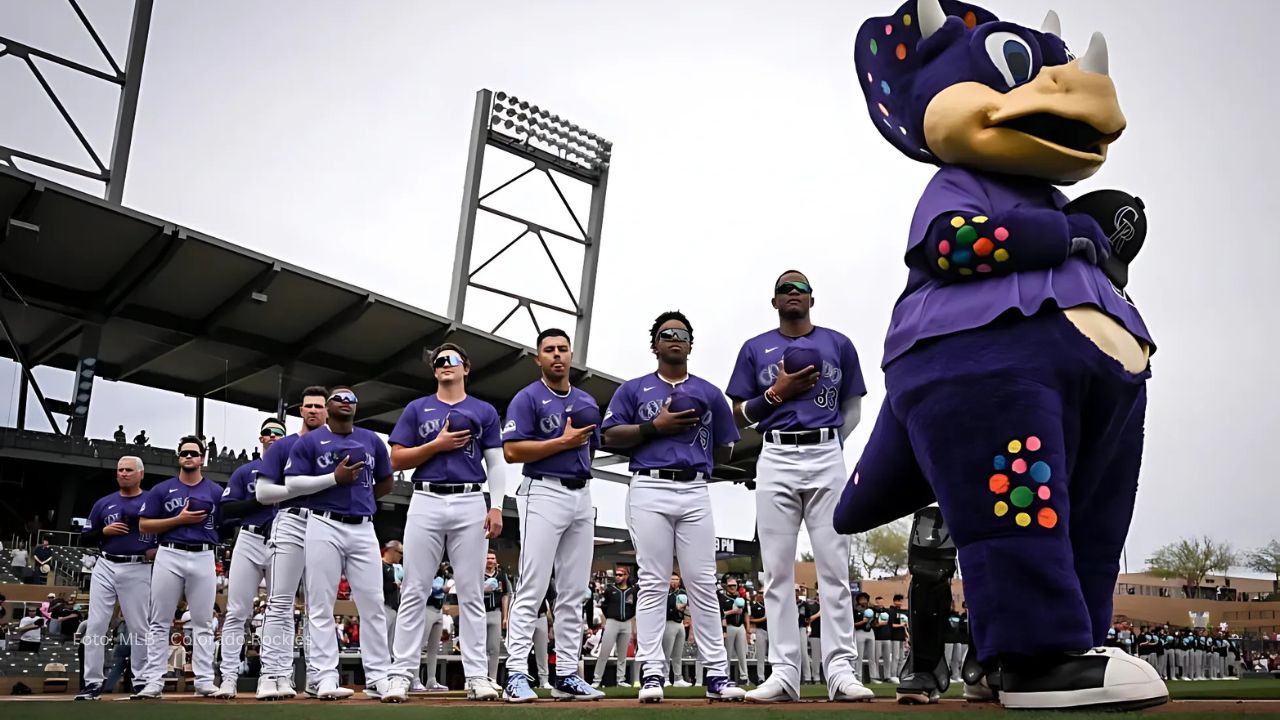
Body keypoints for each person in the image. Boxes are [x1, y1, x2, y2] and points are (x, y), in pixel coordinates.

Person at [727, 270, 871, 704]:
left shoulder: (839, 343)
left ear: (812, 299)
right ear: (774, 302)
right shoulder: (755, 348)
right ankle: (784, 672)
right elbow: (737, 414)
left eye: (801, 288)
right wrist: (776, 393)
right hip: (775, 453)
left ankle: (840, 670)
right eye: (785, 289)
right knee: (776, 571)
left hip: (826, 453)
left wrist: (828, 445)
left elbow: (852, 410)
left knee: (834, 568)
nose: (793, 293)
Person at [601, 310, 746, 703]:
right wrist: (654, 428)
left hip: (696, 488)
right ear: (655, 345)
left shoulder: (709, 391)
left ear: (690, 344)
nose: (675, 338)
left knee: (702, 582)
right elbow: (610, 435)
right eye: (667, 334)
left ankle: (716, 674)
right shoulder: (633, 389)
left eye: (682, 333)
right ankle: (651, 672)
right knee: (652, 580)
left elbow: (725, 444)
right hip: (650, 485)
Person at [383, 343, 508, 702]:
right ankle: (401, 673)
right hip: (426, 496)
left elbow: (496, 462)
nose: (445, 365)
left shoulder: (483, 410)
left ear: (466, 367)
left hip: (470, 498)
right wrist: (436, 445)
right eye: (439, 362)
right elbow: (396, 458)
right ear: (435, 371)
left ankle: (477, 676)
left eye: (452, 360)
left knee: (470, 591)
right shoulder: (417, 408)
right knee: (415, 589)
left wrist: (496, 505)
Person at [500, 328, 604, 702]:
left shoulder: (586, 399)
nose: (557, 355)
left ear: (571, 355)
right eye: (549, 350)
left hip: (580, 493)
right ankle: (515, 673)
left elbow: (592, 448)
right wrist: (562, 442)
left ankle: (566, 675)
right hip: (542, 489)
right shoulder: (527, 397)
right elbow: (511, 452)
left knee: (574, 591)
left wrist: (572, 447)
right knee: (533, 585)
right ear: (538, 358)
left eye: (562, 349)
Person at [286, 386, 397, 701]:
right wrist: (335, 480)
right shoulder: (309, 441)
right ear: (328, 407)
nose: (346, 403)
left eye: (352, 399)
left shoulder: (372, 440)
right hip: (323, 521)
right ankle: (324, 678)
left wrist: (361, 498)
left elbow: (386, 480)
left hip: (362, 525)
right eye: (339, 398)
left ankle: (378, 678)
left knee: (373, 604)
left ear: (356, 408)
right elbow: (293, 484)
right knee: (321, 604)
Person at [252, 386, 333, 701]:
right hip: (290, 520)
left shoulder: (335, 446)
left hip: (326, 522)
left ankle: (317, 676)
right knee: (280, 602)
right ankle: (273, 674)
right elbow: (262, 494)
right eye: (308, 405)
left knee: (319, 606)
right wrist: (305, 488)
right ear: (302, 410)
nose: (313, 410)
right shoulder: (282, 446)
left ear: (327, 411)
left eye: (319, 406)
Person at [131, 436, 223, 699]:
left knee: (204, 621)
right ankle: (153, 681)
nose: (189, 456)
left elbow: (224, 525)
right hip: (169, 552)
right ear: (179, 457)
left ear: (203, 457)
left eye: (194, 453)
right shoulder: (162, 489)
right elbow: (144, 525)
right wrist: (178, 519)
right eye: (184, 453)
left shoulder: (215, 491)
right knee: (159, 621)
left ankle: (204, 680)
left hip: (204, 554)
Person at [214, 418, 287, 698]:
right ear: (261, 438)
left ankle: (277, 674)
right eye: (267, 433)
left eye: (278, 433)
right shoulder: (247, 471)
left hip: (283, 540)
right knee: (236, 611)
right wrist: (259, 500)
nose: (272, 436)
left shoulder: (294, 469)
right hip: (250, 535)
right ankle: (229, 677)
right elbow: (226, 510)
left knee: (280, 611)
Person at [77, 455, 156, 700]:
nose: (123, 473)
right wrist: (104, 531)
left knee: (139, 626)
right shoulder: (104, 503)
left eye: (129, 470)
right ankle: (92, 683)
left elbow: (164, 530)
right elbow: (84, 538)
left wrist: (158, 550)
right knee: (96, 625)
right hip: (106, 562)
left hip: (138, 565)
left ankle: (141, 680)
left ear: (140, 473)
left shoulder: (151, 500)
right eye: (120, 469)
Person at [592, 564, 638, 688]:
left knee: (622, 654)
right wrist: (609, 618)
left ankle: (621, 680)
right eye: (616, 574)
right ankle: (596, 680)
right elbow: (603, 606)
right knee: (604, 652)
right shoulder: (610, 590)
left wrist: (631, 619)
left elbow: (634, 607)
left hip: (627, 622)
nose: (617, 577)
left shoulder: (633, 591)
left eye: (620, 575)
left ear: (626, 576)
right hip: (612, 622)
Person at [482, 552, 511, 680]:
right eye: (487, 558)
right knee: (479, 648)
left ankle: (492, 678)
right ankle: (479, 677)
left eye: (493, 558)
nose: (490, 560)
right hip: (480, 612)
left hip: (495, 612)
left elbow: (505, 596)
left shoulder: (501, 576)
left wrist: (505, 617)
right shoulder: (478, 574)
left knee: (494, 649)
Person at [722, 578, 749, 684]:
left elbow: (746, 614)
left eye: (734, 585)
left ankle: (744, 676)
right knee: (727, 653)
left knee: (742, 652)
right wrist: (733, 611)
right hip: (729, 625)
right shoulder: (723, 598)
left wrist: (747, 629)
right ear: (726, 586)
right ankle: (726, 675)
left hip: (740, 626)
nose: (732, 587)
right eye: (730, 586)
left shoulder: (741, 598)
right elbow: (722, 613)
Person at [665, 574, 690, 686]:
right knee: (666, 652)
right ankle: (665, 677)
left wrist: (687, 618)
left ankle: (678, 678)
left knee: (678, 653)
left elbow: (686, 607)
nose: (674, 582)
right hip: (668, 622)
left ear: (679, 582)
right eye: (672, 579)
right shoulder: (665, 592)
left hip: (680, 623)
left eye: (676, 580)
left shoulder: (682, 592)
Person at [854, 592, 877, 684]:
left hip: (870, 632)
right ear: (858, 601)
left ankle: (873, 677)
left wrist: (874, 621)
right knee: (859, 656)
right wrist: (863, 621)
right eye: (861, 599)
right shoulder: (855, 610)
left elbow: (874, 623)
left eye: (865, 599)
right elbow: (853, 624)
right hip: (859, 632)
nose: (863, 601)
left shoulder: (871, 610)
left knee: (872, 656)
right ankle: (858, 676)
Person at [749, 588, 768, 686]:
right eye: (760, 593)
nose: (761, 595)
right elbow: (750, 620)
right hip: (760, 630)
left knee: (774, 656)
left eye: (763, 593)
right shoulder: (755, 606)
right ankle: (761, 677)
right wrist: (762, 619)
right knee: (761, 656)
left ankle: (775, 676)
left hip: (772, 631)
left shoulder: (771, 605)